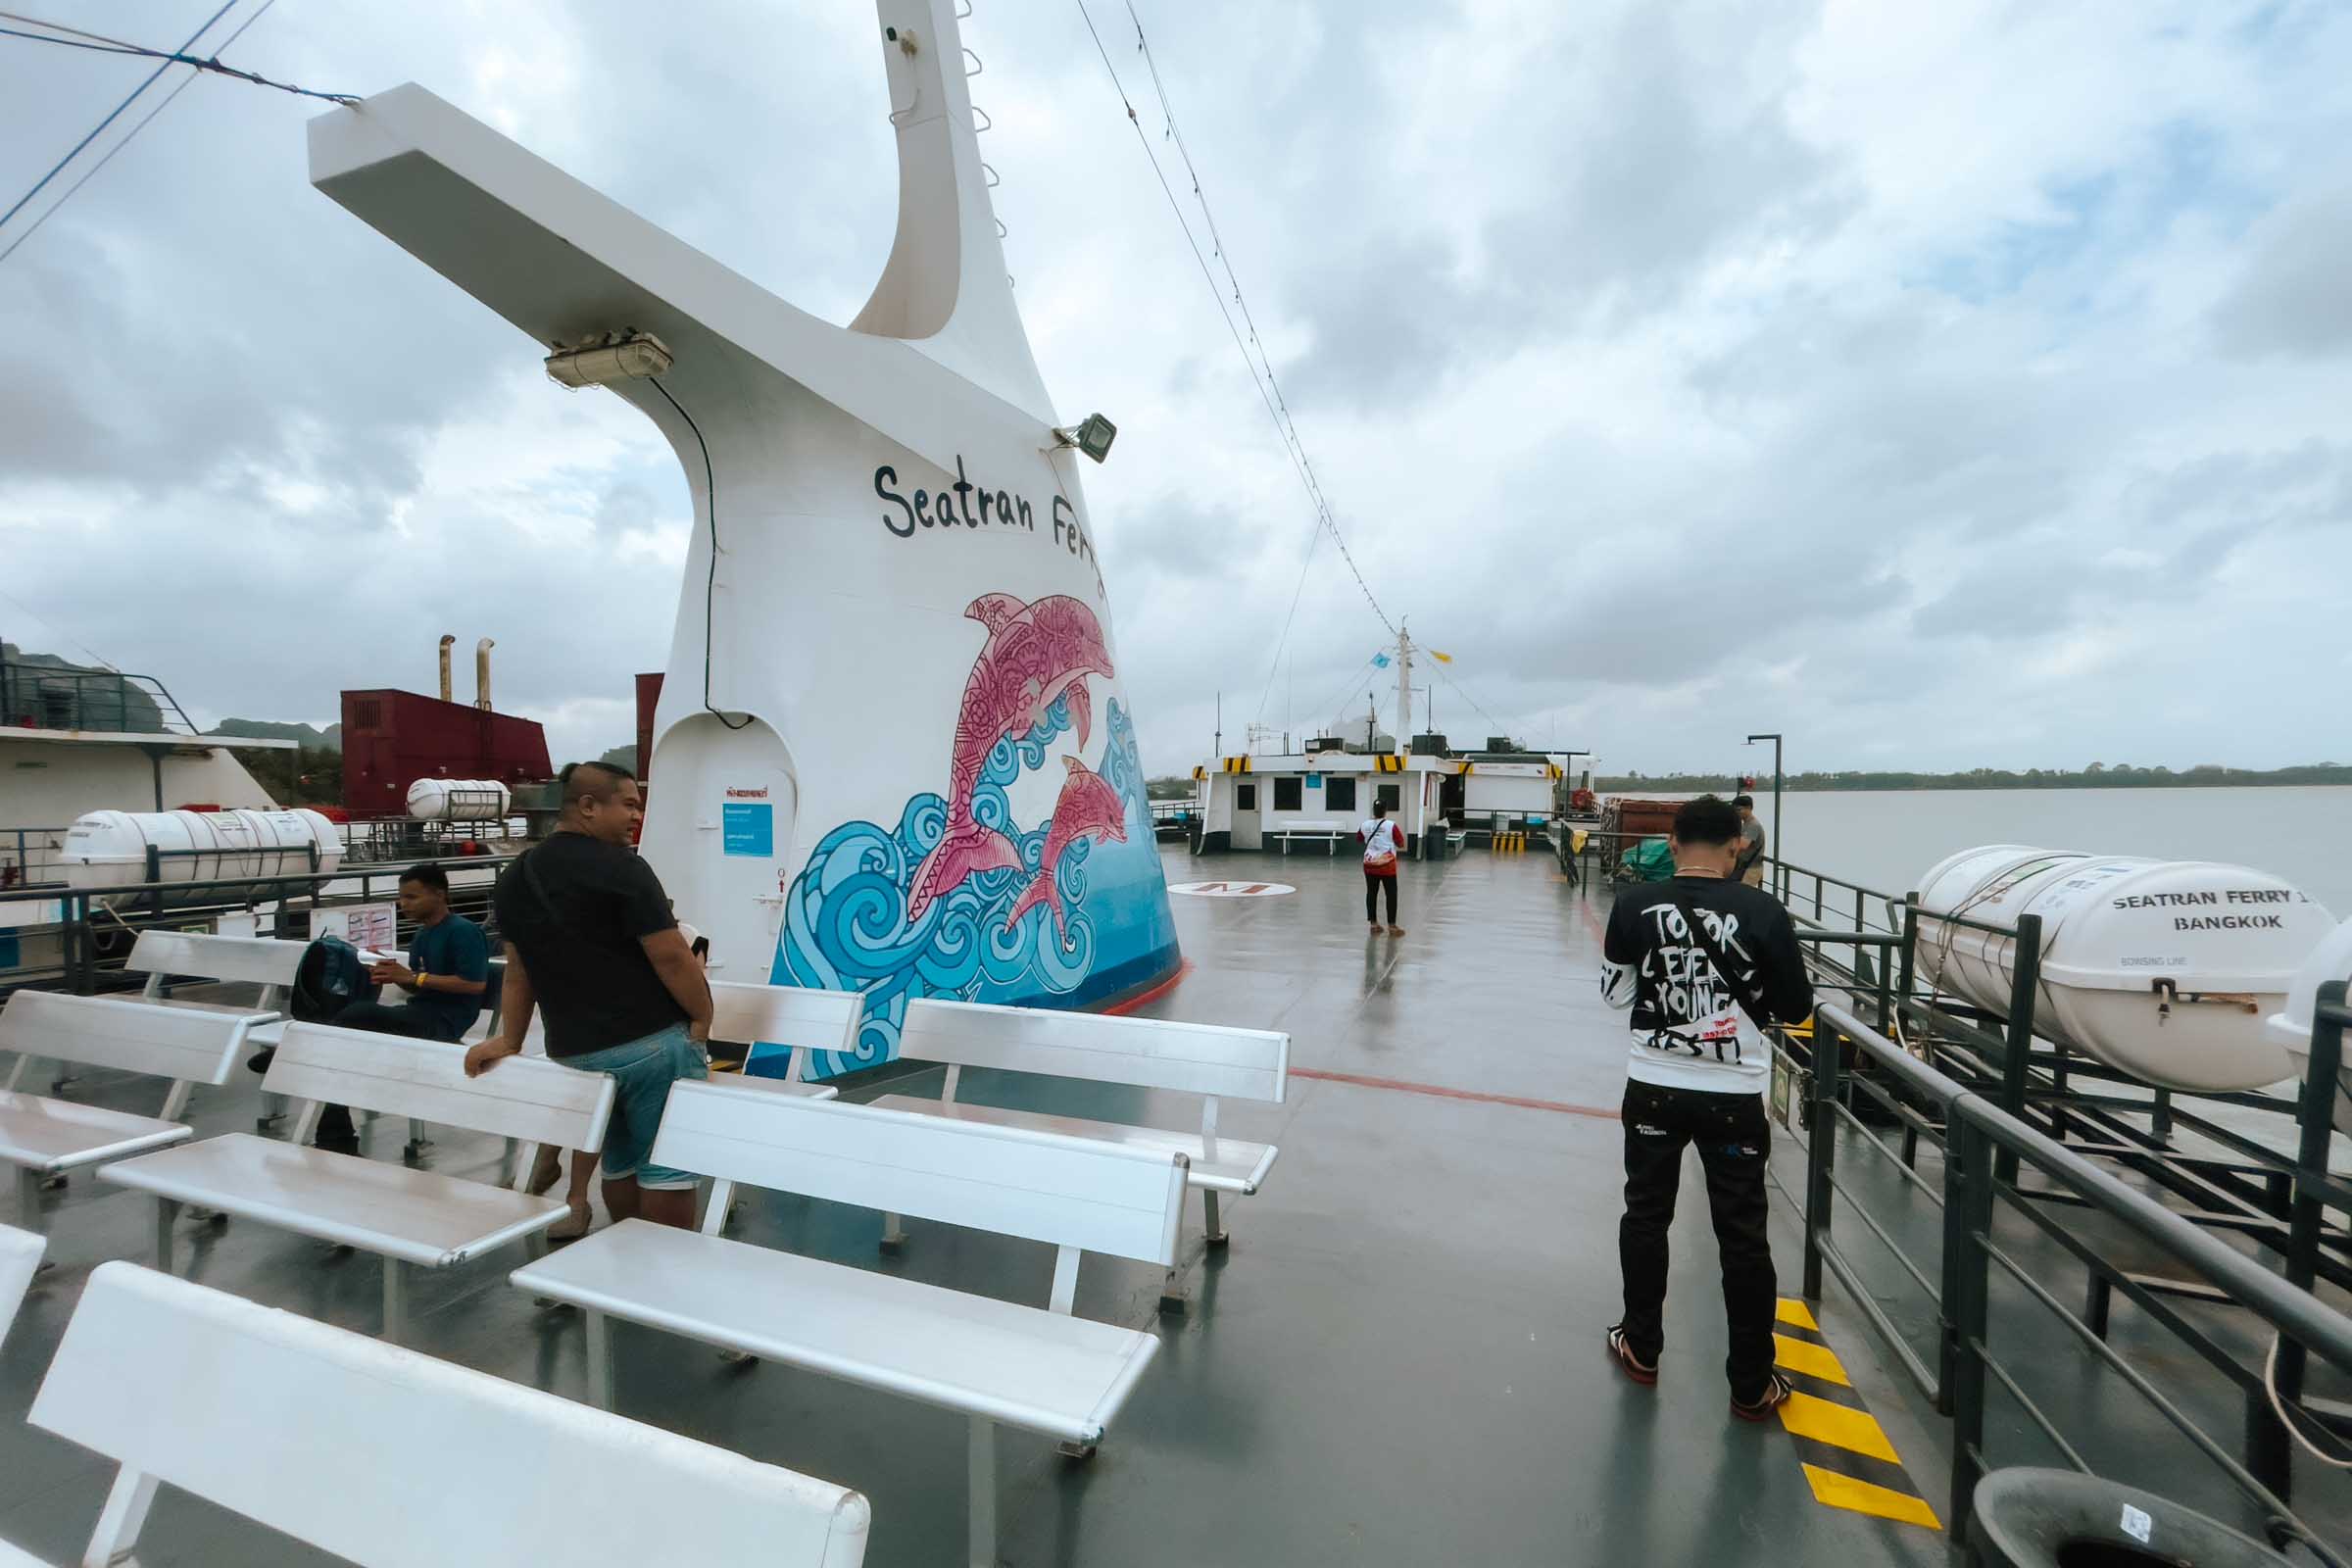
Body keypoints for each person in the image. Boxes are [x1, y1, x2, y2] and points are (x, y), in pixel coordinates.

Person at [1599, 793, 1814, 1420]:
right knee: (1742, 1237)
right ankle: (1750, 1384)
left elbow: (1615, 995)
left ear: (1672, 843)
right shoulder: (1763, 910)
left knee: (1645, 1215)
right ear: (1737, 847)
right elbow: (1797, 1008)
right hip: (1733, 1097)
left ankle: (1641, 1347)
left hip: (1654, 1088)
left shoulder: (1635, 903)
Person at [467, 760, 714, 1236]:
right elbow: (670, 956)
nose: (635, 816)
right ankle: (667, 1270)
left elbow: (520, 971)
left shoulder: (515, 877)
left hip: (577, 1052)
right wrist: (702, 1018)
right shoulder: (624, 868)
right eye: (627, 805)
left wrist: (509, 1040)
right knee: (666, 1167)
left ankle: (627, 1257)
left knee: (619, 1161)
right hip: (651, 1045)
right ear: (587, 806)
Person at [312, 863, 490, 1154]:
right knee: (345, 1047)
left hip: (443, 1023)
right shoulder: (423, 935)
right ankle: (335, 1133)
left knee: (358, 1015)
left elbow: (475, 984)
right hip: (419, 1015)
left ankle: (304, 1049)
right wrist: (393, 973)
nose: (403, 903)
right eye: (402, 897)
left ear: (439, 895)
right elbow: (418, 985)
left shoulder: (463, 932)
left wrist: (411, 977)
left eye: (411, 897)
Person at [1358, 801, 1404, 937]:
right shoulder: (1391, 826)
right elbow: (1401, 843)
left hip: (1369, 865)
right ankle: (1392, 926)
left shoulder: (1365, 825)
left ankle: (1373, 924)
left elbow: (1359, 839)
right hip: (1386, 866)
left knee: (1371, 893)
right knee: (1391, 894)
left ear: (1373, 810)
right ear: (1385, 810)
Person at [1731, 794, 1767, 889]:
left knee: (1742, 894)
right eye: (1735, 810)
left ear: (1749, 808)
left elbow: (1742, 846)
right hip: (1745, 866)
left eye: (1739, 810)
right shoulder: (1746, 824)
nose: (1737, 813)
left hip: (1751, 868)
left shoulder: (1753, 825)